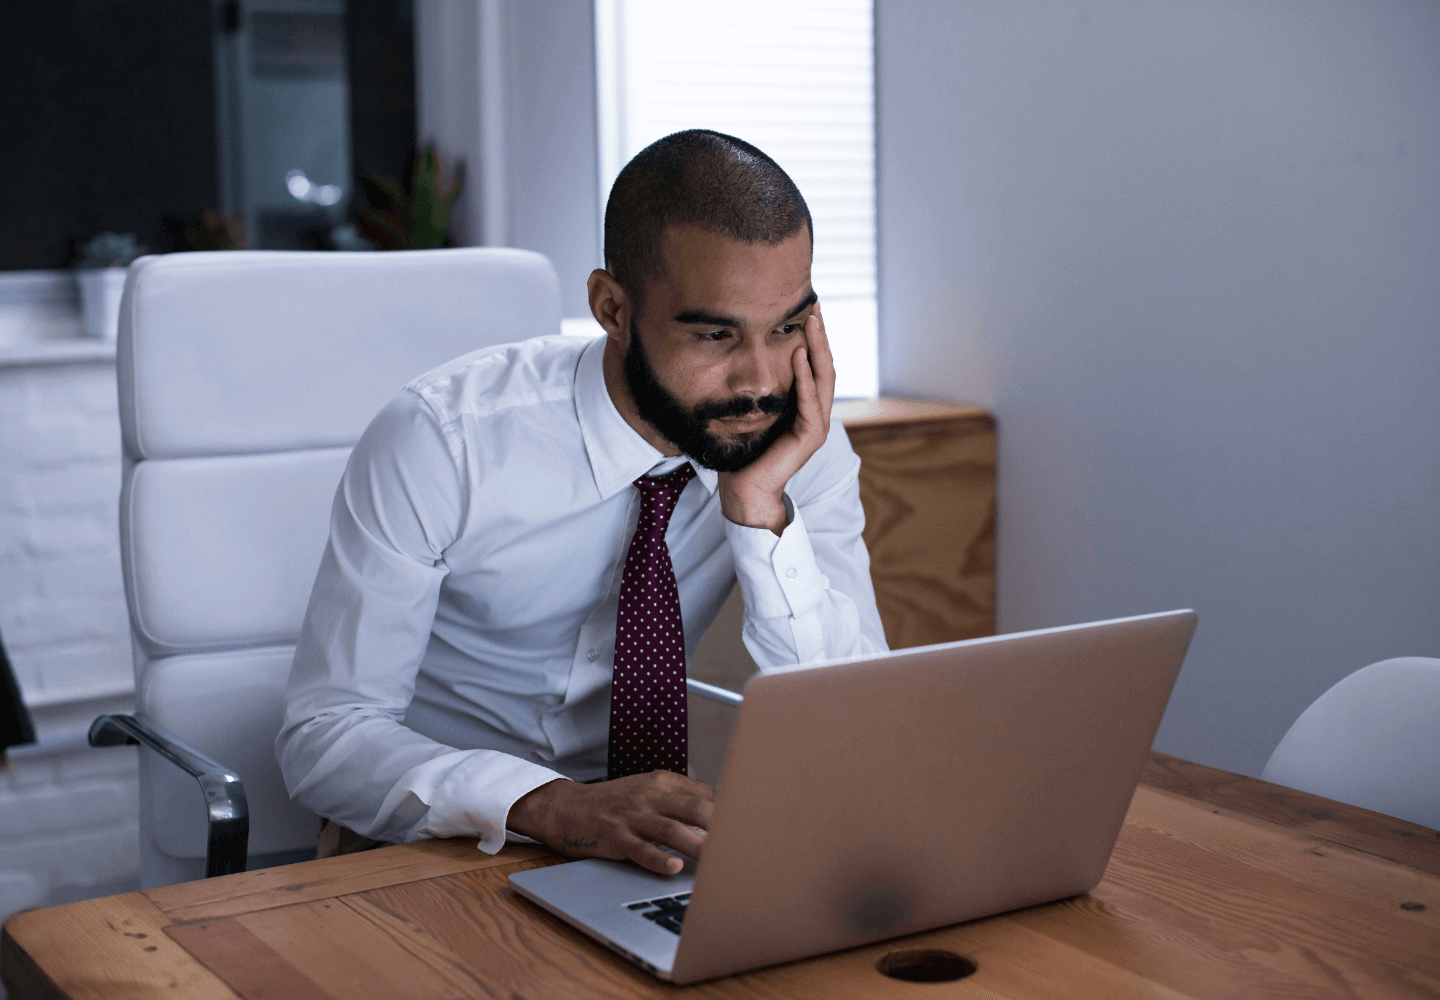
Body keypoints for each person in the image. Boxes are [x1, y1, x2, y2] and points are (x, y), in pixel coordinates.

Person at [277, 130, 887, 876]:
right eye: (714, 333)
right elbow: (324, 739)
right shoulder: (443, 441)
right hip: (433, 844)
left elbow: (853, 727)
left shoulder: (794, 442)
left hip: (646, 848)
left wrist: (762, 511)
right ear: (612, 307)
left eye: (788, 326)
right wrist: (553, 806)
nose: (759, 380)